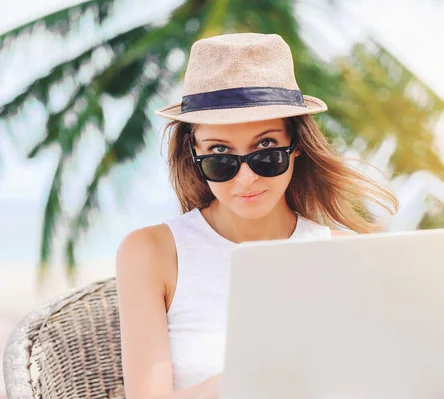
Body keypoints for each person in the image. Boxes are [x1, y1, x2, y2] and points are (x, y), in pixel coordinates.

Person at [115, 32, 399, 399]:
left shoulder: (347, 256)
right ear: (194, 153)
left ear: (296, 146)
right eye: (220, 155)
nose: (246, 178)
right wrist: (268, 370)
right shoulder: (151, 253)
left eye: (266, 149)